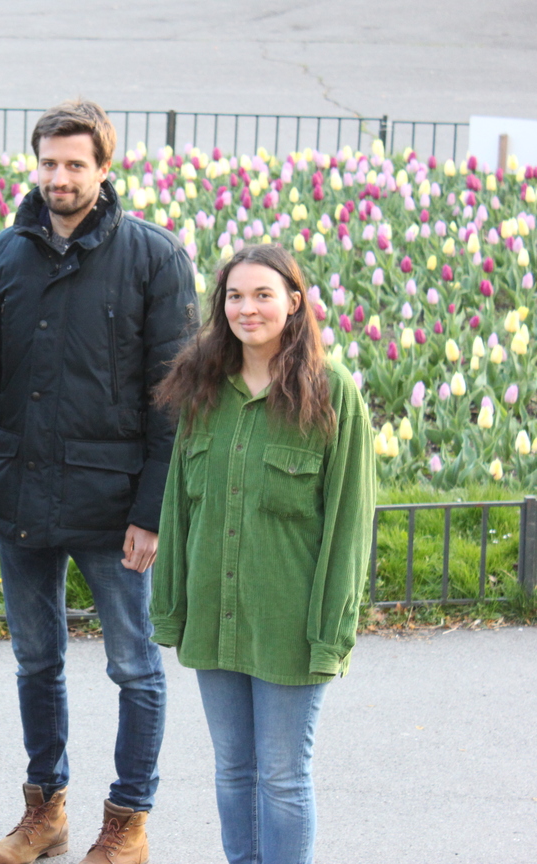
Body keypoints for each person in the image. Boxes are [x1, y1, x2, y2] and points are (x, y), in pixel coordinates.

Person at [0, 99, 198, 864]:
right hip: (20, 495)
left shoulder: (153, 257)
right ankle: (44, 812)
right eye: (49, 163)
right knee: (36, 659)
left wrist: (151, 511)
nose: (60, 178)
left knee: (134, 666)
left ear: (103, 168)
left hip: (113, 501)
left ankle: (128, 819)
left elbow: (173, 397)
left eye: (75, 164)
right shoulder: (5, 256)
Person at [150, 244, 375, 864]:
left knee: (281, 776)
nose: (247, 308)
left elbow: (350, 525)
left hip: (288, 625)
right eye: (234, 296)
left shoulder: (331, 395)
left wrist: (331, 631)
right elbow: (177, 506)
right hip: (214, 618)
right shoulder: (202, 391)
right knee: (232, 771)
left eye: (263, 294)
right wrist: (170, 609)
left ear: (294, 304)